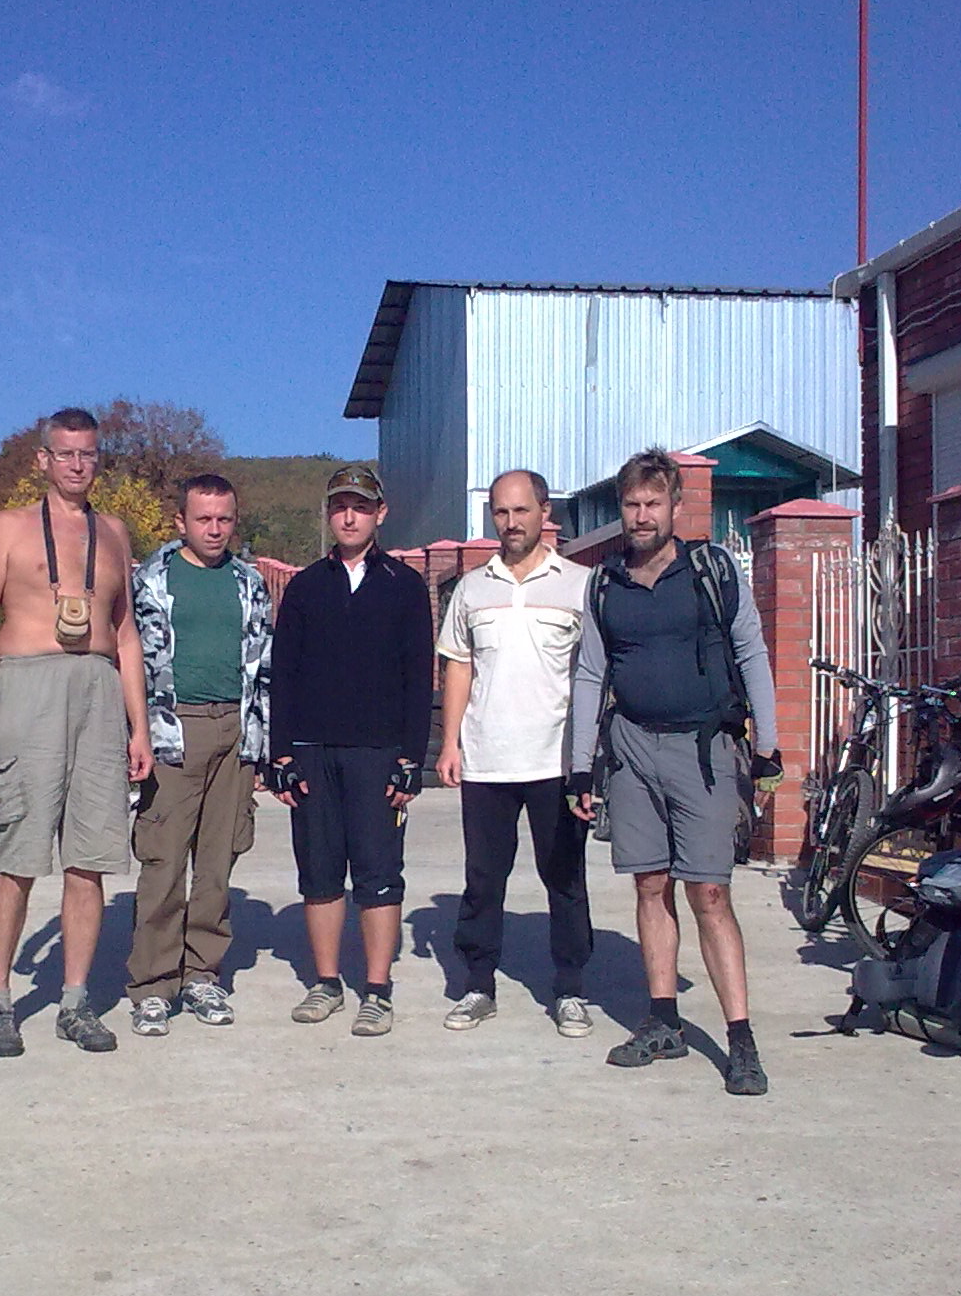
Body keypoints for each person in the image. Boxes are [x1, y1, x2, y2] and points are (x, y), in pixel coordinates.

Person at [567, 448, 784, 1095]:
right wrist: (580, 768)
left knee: (709, 893)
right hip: (631, 747)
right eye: (631, 504)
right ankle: (663, 1022)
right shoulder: (604, 583)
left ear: (676, 507)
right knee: (649, 885)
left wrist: (768, 746)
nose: (641, 515)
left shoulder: (710, 571)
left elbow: (751, 651)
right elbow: (590, 673)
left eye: (653, 503)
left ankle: (740, 1039)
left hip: (704, 748)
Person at [0, 407, 153, 1057]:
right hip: (29, 687)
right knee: (20, 853)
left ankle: (74, 1000)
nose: (76, 465)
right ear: (42, 459)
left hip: (97, 688)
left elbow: (126, 635)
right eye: (65, 453)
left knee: (89, 860)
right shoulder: (7, 528)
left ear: (99, 460)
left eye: (87, 454)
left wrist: (139, 728)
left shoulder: (114, 533)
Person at [267, 465, 433, 1037]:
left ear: (379, 513)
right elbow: (283, 674)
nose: (349, 516)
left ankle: (377, 990)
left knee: (378, 871)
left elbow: (419, 677)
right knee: (319, 870)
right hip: (314, 751)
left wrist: (412, 758)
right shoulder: (306, 587)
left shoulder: (404, 585)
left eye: (360, 507)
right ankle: (326, 982)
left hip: (378, 752)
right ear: (329, 514)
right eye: (340, 506)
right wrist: (281, 754)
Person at [434, 469, 595, 1036]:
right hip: (487, 760)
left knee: (565, 878)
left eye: (521, 510)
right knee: (483, 880)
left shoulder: (580, 585)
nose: (511, 522)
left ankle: (570, 988)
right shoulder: (472, 589)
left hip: (556, 762)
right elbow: (458, 666)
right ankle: (478, 985)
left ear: (544, 512)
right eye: (501, 512)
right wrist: (450, 743)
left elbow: (595, 674)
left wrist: (588, 760)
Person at [125, 475, 274, 1036]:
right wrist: (135, 734)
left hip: (234, 729)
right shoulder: (150, 580)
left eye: (224, 519)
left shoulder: (249, 583)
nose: (215, 529)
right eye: (203, 519)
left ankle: (202, 975)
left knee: (217, 862)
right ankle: (153, 985)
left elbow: (264, 665)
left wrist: (261, 743)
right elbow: (127, 660)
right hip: (172, 730)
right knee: (163, 861)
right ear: (180, 522)